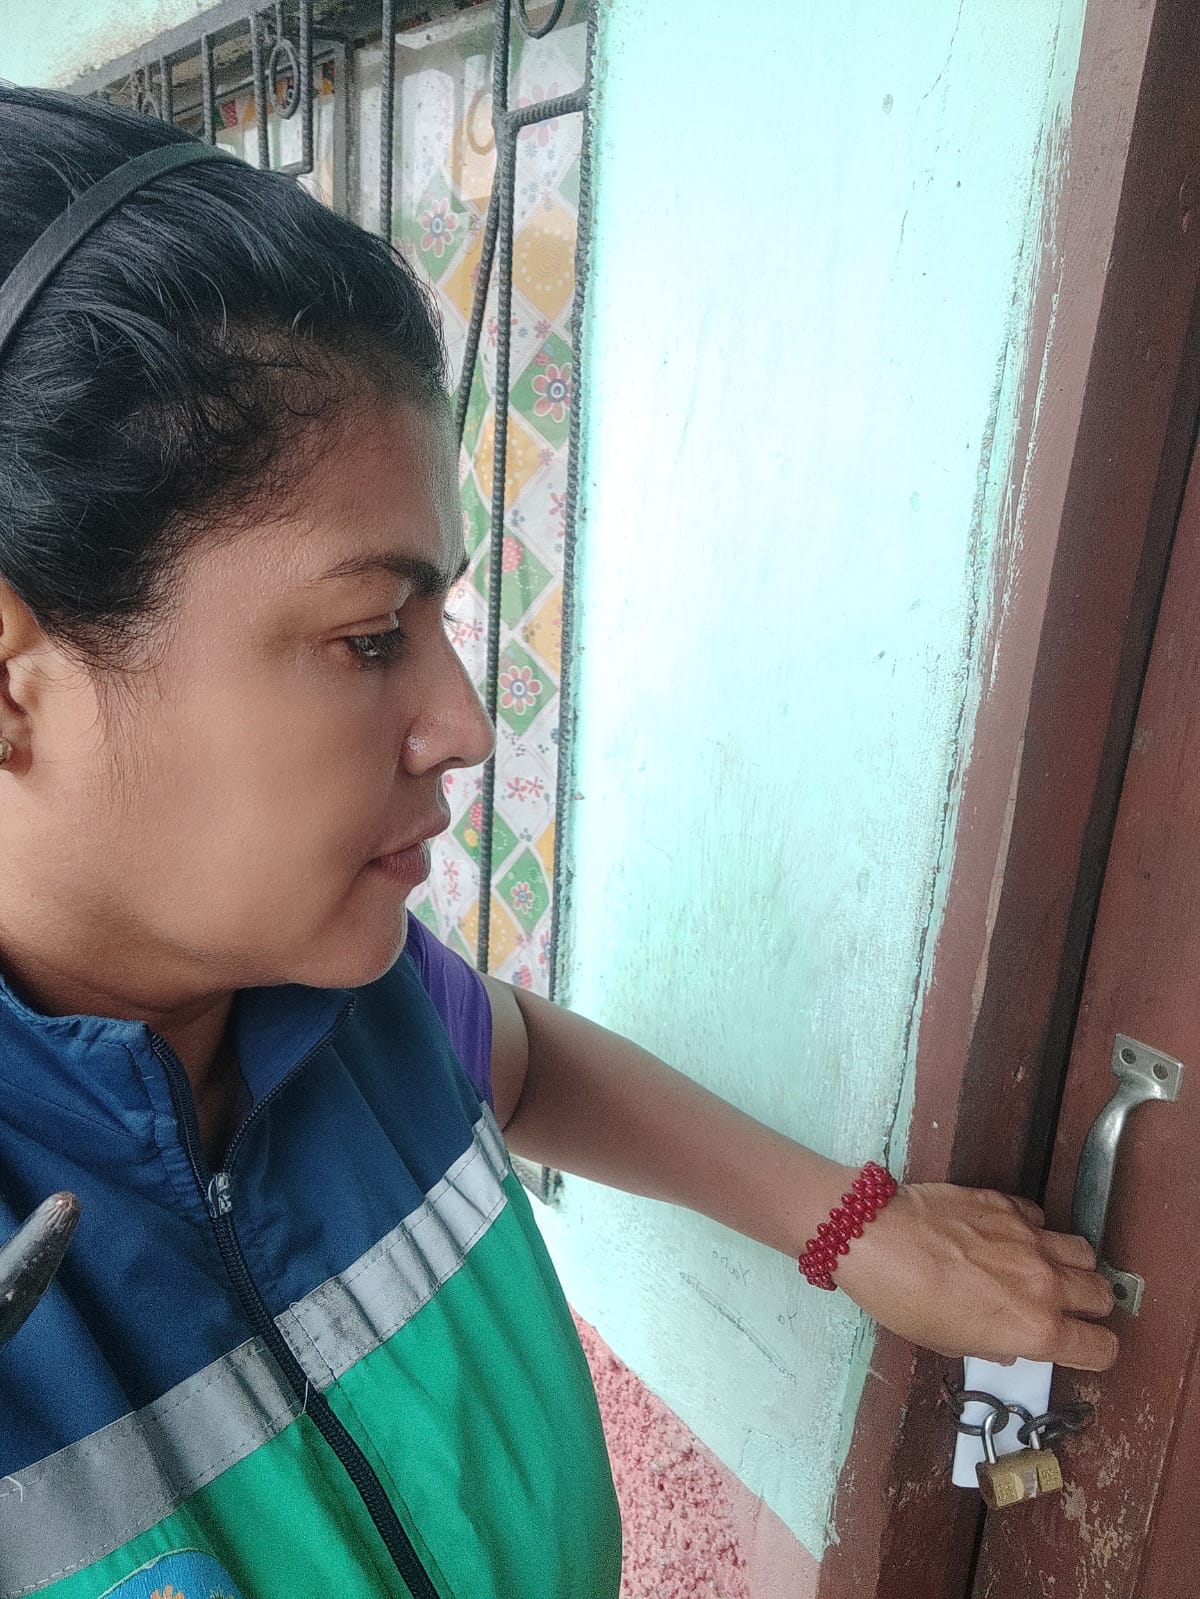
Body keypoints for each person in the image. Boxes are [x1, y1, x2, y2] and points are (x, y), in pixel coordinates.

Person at [0, 84, 1115, 1599]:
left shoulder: (353, 1010)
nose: (465, 723)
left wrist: (862, 1233)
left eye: (440, 620)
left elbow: (517, 1059)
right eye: (369, 635)